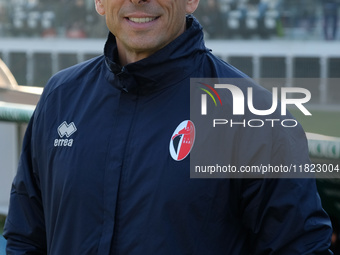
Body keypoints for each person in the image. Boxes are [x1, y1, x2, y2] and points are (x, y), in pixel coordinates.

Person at [3, 0, 333, 254]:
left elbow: (300, 247)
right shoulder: (60, 97)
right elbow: (25, 238)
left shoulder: (251, 115)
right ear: (100, 2)